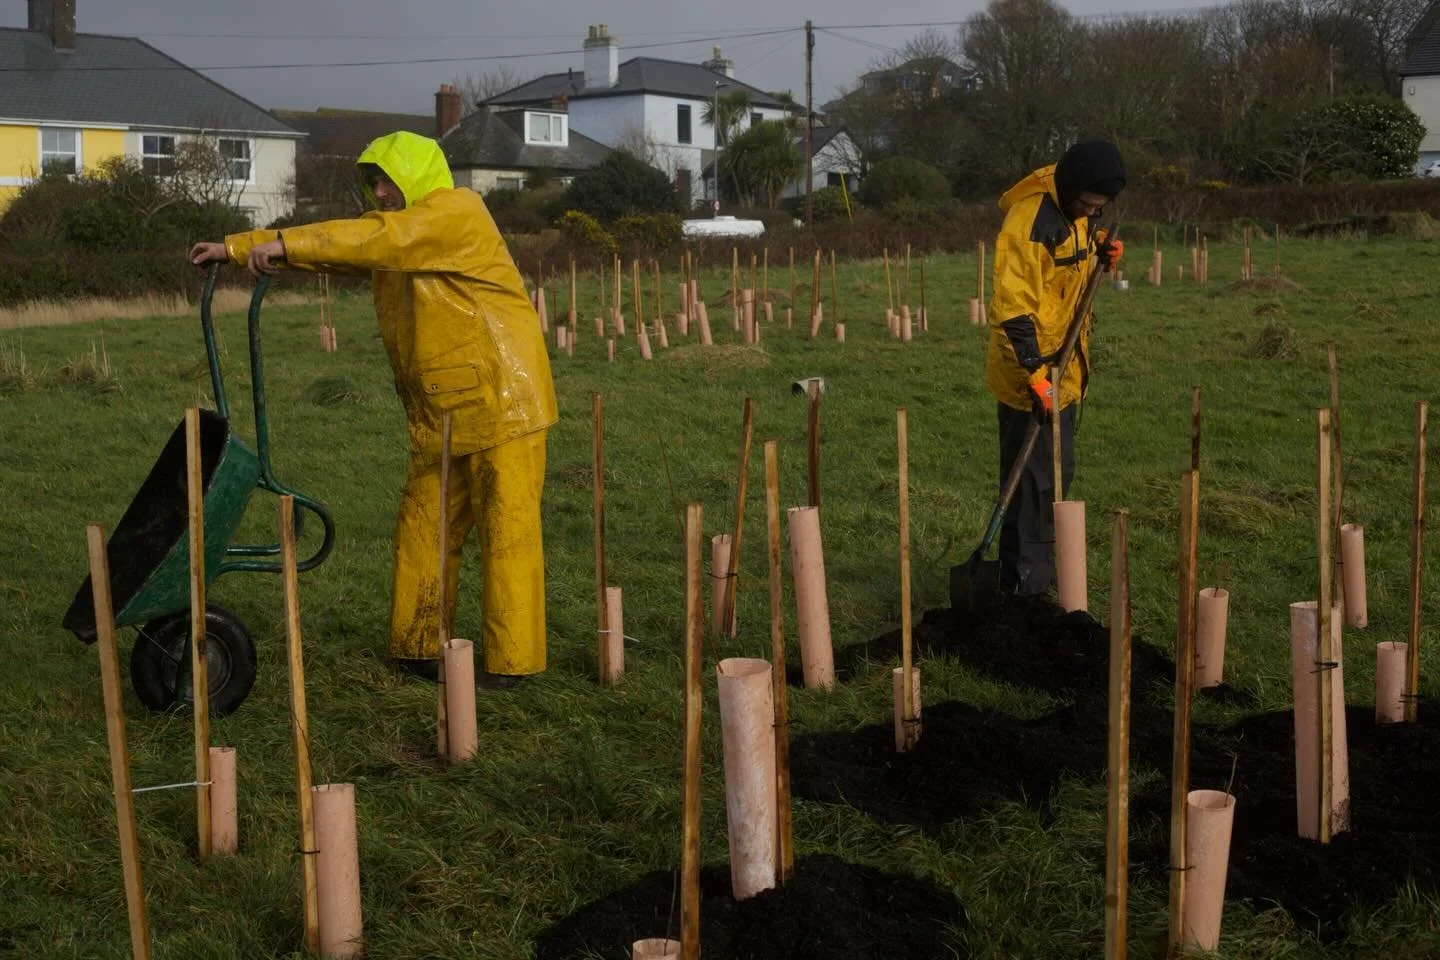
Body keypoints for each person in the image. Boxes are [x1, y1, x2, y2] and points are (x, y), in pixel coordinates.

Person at [190, 131, 557, 689]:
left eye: (388, 178)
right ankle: (417, 646)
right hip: (443, 408)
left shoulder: (455, 212)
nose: (380, 191)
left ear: (416, 173)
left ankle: (513, 663)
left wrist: (284, 242)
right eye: (373, 180)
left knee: (507, 531)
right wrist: (239, 247)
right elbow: (348, 247)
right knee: (423, 524)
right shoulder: (396, 237)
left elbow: (376, 239)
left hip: (504, 402)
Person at [984, 139, 1125, 596]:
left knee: (1053, 474)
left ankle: (1024, 572)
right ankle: (1029, 584)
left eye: (1099, 209)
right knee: (1033, 484)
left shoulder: (1073, 213)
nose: (1091, 213)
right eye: (1088, 205)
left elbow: (1067, 264)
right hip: (1031, 375)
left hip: (1062, 372)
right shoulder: (1029, 224)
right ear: (1071, 189)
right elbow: (1012, 312)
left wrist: (1102, 251)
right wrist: (1036, 377)